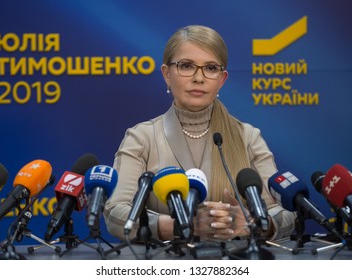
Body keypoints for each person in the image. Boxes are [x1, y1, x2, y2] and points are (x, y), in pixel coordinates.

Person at [104, 25, 295, 242]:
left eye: (211, 68)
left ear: (222, 79)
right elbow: (115, 213)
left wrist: (253, 223)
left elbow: (285, 214)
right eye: (186, 66)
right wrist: (182, 226)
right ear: (167, 74)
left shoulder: (248, 137)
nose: (199, 78)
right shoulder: (141, 138)